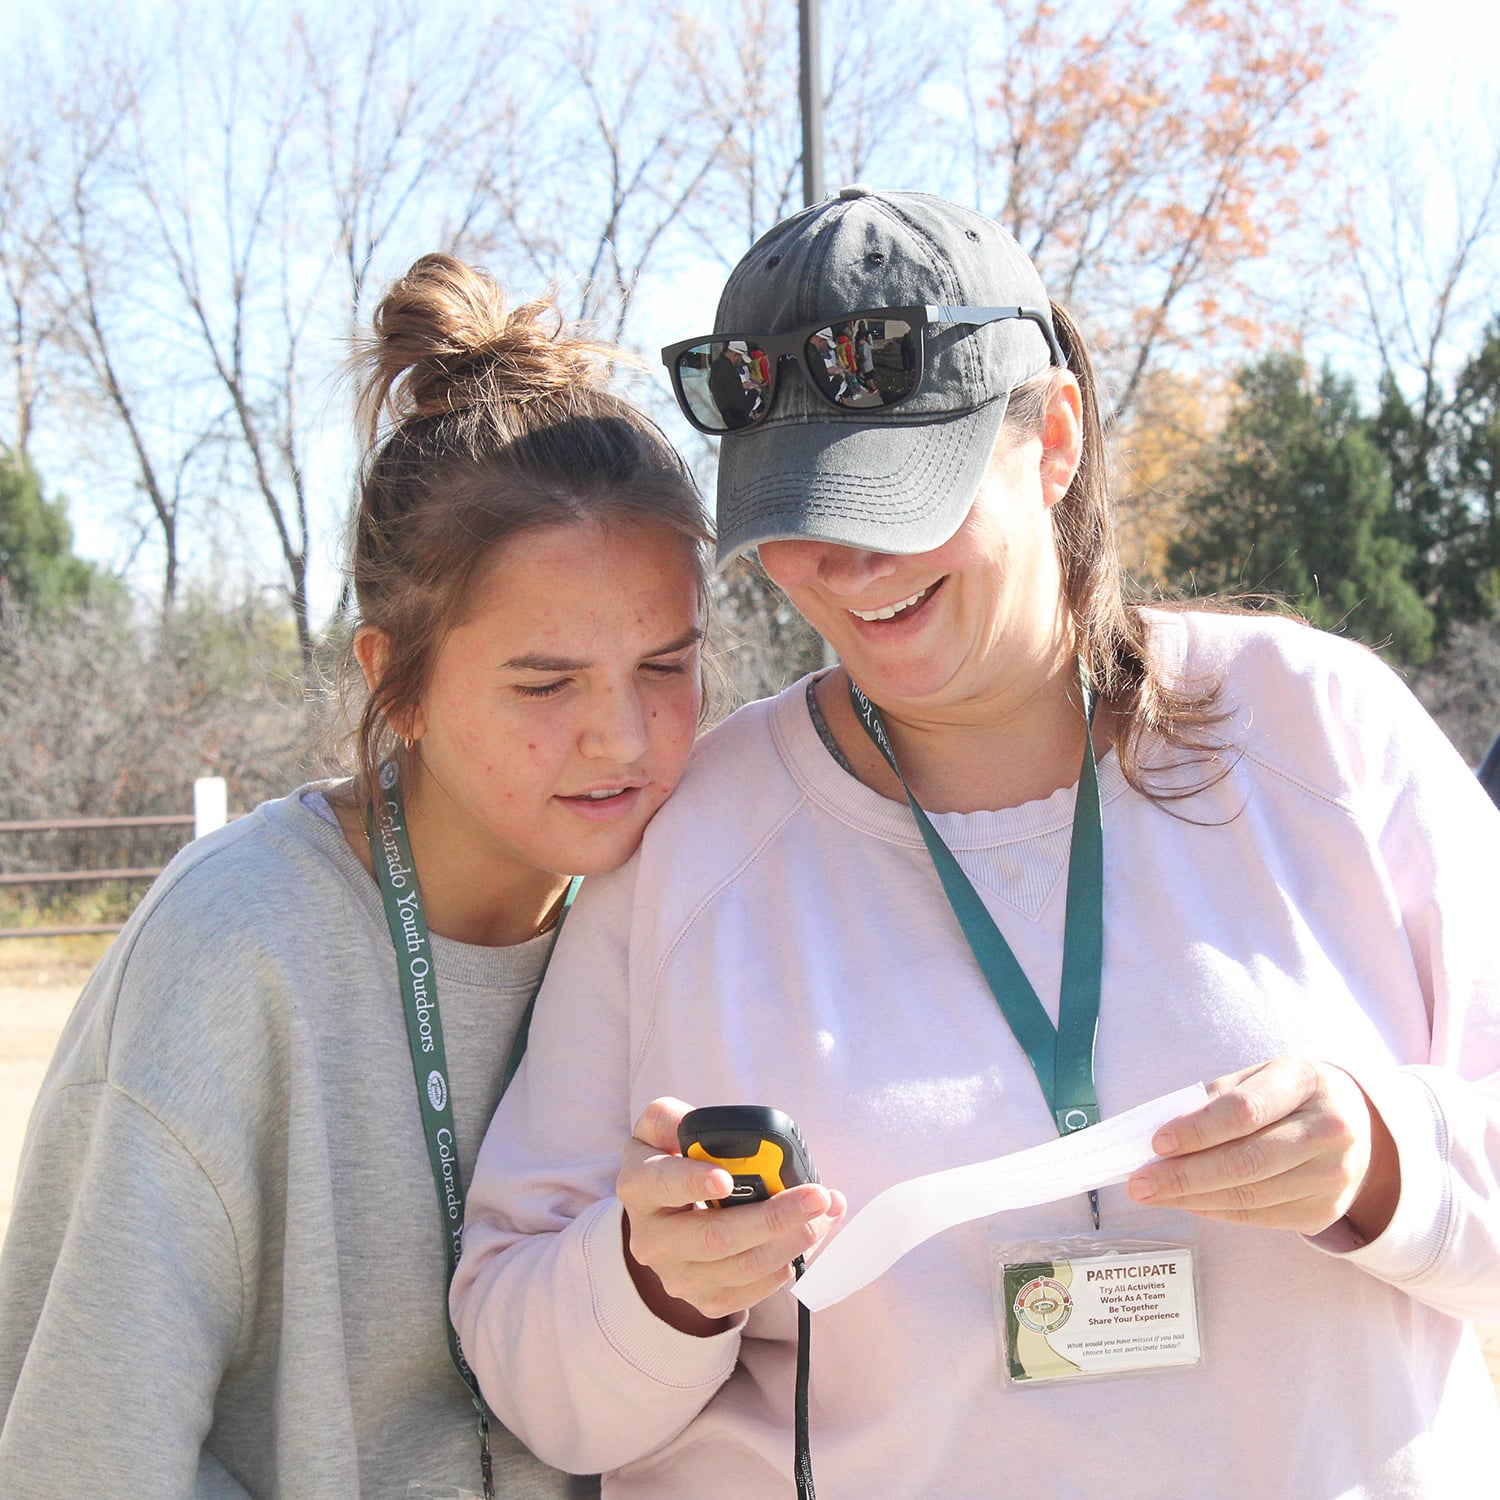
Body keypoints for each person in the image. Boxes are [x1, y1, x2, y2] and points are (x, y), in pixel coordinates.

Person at [450, 188, 1500, 1497]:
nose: (846, 564)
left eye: (900, 494)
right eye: (799, 516)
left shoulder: (1313, 732)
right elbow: (525, 1362)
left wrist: (1386, 1158)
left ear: (1052, 439)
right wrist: (655, 1285)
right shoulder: (697, 850)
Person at [0, 253, 712, 1499]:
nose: (625, 737)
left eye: (667, 665)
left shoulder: (698, 899)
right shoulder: (237, 948)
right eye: (545, 685)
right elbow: (84, 1446)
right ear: (398, 683)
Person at [706, 341, 759, 431]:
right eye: (742, 360)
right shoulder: (729, 372)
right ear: (736, 355)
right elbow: (742, 409)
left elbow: (725, 393)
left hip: (731, 422)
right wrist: (755, 392)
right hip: (742, 426)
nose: (742, 363)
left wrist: (741, 387)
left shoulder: (717, 367)